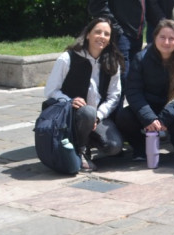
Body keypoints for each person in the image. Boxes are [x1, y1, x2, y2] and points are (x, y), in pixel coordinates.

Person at [43, 17, 124, 170]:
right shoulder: (68, 58)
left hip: (96, 116)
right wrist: (68, 100)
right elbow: (50, 90)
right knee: (87, 112)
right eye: (98, 32)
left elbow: (114, 95)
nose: (102, 37)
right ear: (88, 34)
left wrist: (99, 116)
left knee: (114, 146)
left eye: (106, 34)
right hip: (72, 115)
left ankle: (87, 139)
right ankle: (80, 150)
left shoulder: (112, 62)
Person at [115, 19, 174, 160]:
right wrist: (149, 118)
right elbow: (133, 91)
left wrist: (166, 116)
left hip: (173, 107)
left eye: (171, 38)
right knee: (124, 117)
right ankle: (140, 148)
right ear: (155, 38)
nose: (166, 42)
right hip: (148, 106)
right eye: (162, 37)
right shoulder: (141, 58)